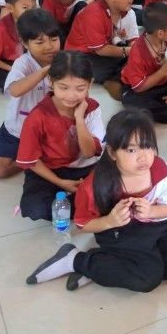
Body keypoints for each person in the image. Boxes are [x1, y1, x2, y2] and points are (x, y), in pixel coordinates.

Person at [25, 109, 167, 292]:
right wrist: (110, 221)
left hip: (156, 224)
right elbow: (84, 224)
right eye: (131, 150)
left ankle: (107, 265)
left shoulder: (162, 171)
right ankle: (75, 260)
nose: (143, 157)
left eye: (148, 146)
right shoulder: (96, 185)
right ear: (112, 152)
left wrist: (152, 211)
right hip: (118, 230)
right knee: (148, 278)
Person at [16, 51, 105, 221]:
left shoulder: (92, 108)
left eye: (80, 88)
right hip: (51, 170)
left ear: (90, 84)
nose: (71, 96)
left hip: (86, 167)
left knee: (116, 185)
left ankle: (80, 201)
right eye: (63, 88)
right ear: (51, 82)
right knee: (34, 207)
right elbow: (31, 161)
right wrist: (60, 182)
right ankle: (85, 203)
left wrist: (80, 119)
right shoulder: (38, 116)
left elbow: (89, 153)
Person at [0, 9, 61, 179]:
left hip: (51, 129)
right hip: (18, 129)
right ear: (25, 43)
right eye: (40, 42)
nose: (49, 46)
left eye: (54, 39)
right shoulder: (23, 63)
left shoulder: (65, 61)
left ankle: (36, 156)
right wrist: (44, 71)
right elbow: (15, 90)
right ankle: (32, 159)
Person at [65, 0, 139, 94]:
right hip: (82, 55)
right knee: (93, 68)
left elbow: (133, 38)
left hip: (107, 49)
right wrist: (128, 52)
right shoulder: (93, 13)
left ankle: (118, 77)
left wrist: (135, 51)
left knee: (138, 59)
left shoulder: (128, 12)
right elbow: (101, 50)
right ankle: (114, 80)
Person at [121, 2, 167, 123]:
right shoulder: (138, 50)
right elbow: (138, 87)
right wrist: (164, 71)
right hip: (141, 90)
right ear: (160, 33)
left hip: (165, 84)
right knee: (132, 103)